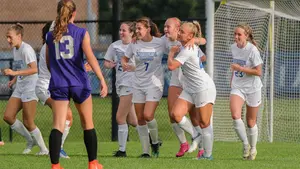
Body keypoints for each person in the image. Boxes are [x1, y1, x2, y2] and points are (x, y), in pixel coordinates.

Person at [46, 1, 108, 169]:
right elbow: (91, 58)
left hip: (59, 83)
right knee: (87, 123)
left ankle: (55, 166)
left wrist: (60, 72)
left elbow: (48, 62)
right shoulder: (81, 32)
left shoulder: (50, 35)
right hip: (79, 82)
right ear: (74, 13)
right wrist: (102, 79)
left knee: (58, 125)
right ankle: (93, 163)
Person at [168, 21, 216, 160]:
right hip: (190, 87)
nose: (179, 33)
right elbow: (201, 39)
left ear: (189, 36)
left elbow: (171, 66)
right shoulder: (186, 45)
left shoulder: (187, 50)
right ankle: (196, 135)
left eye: (182, 31)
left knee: (204, 123)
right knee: (176, 114)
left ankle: (207, 155)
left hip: (203, 88)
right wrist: (195, 39)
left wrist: (171, 54)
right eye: (179, 30)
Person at [3, 23, 49, 155]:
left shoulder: (26, 49)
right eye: (7, 37)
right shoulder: (15, 49)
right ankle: (30, 140)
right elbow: (21, 67)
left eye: (10, 37)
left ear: (19, 36)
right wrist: (14, 80)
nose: (8, 40)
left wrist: (14, 73)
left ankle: (44, 149)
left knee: (28, 122)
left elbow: (34, 69)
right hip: (20, 87)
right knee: (8, 116)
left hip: (30, 87)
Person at [121, 17, 164, 158]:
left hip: (154, 84)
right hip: (138, 84)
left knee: (148, 115)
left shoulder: (160, 42)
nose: (137, 31)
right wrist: (125, 64)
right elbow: (124, 58)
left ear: (148, 29)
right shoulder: (134, 44)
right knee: (140, 119)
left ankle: (155, 142)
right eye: (136, 29)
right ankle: (146, 152)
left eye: (140, 28)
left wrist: (196, 40)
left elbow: (177, 44)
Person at [36, 21, 73, 158]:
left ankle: (58, 148)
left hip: (51, 87)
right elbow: (57, 69)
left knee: (68, 117)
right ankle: (56, 150)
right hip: (45, 87)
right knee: (64, 116)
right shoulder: (49, 46)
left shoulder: (53, 45)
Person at [104, 21, 137, 157]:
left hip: (131, 84)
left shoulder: (136, 46)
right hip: (120, 84)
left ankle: (122, 151)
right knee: (133, 121)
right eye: (120, 30)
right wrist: (109, 64)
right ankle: (153, 140)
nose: (121, 33)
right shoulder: (115, 46)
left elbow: (142, 66)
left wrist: (132, 67)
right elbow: (106, 62)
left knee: (119, 117)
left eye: (124, 30)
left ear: (131, 33)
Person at [230, 23, 262, 160]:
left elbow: (258, 72)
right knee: (235, 115)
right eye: (235, 34)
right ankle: (245, 144)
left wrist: (241, 69)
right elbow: (235, 68)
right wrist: (233, 80)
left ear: (246, 36)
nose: (236, 37)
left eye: (239, 34)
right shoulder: (233, 47)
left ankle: (253, 149)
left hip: (253, 88)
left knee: (250, 122)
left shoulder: (253, 50)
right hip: (238, 87)